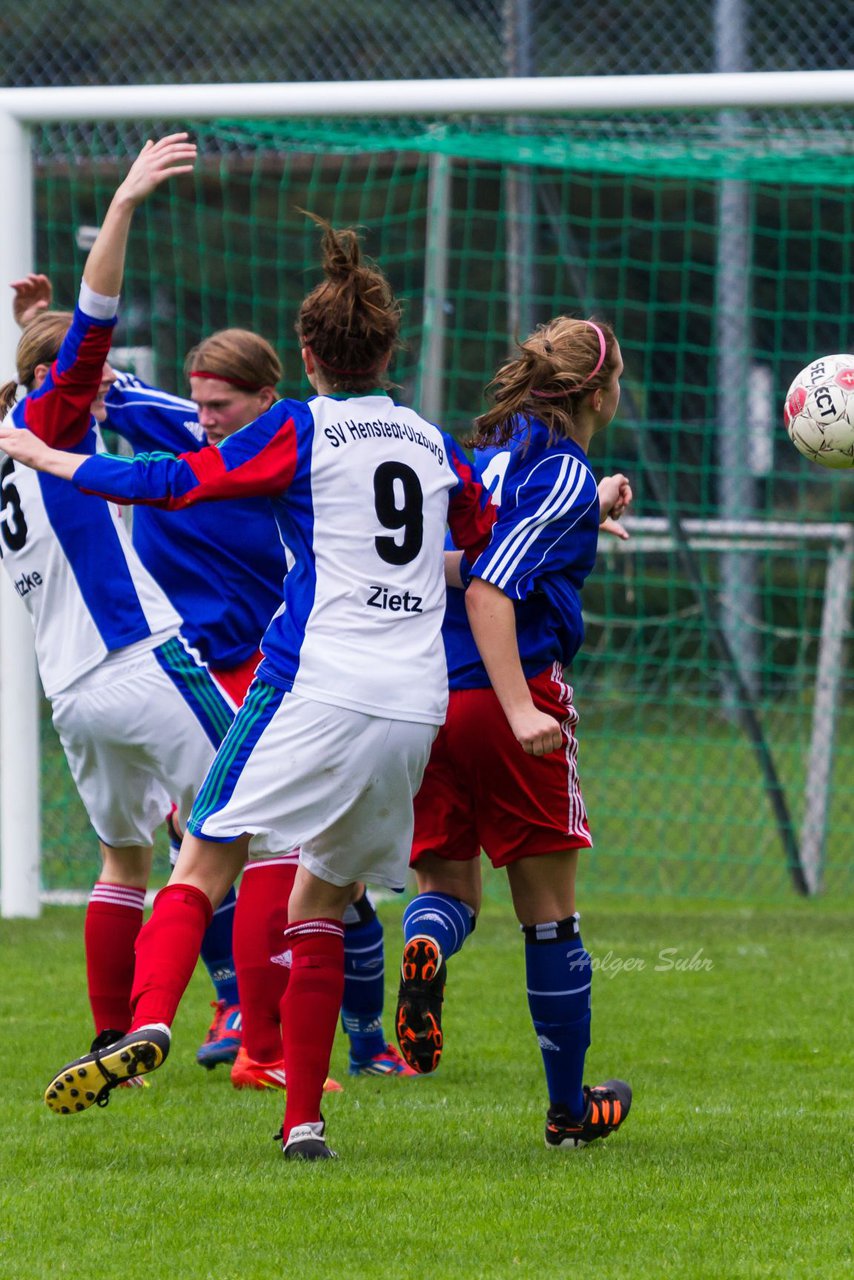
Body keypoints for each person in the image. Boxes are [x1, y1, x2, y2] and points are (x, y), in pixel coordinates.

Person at [1, 215, 495, 1159]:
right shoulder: (433, 440)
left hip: (315, 685)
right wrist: (588, 506)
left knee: (202, 860)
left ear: (306, 357)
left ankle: (148, 1022)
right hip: (413, 705)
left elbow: (179, 480)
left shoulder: (300, 428)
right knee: (319, 899)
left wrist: (59, 457)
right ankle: (302, 1120)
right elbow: (476, 530)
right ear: (392, 349)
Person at [12, 277, 412, 1083]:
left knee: (170, 854)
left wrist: (36, 342)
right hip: (182, 664)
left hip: (169, 677)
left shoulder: (291, 444)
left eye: (220, 405)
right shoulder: (173, 426)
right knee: (254, 845)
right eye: (199, 404)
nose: (204, 420)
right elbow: (106, 392)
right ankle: (257, 1034)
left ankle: (315, 1036)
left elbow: (99, 385)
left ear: (271, 392)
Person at [0, 135, 244, 1064]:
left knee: (123, 864)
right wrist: (123, 204)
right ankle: (235, 1022)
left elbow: (57, 356)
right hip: (143, 657)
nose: (105, 386)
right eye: (90, 376)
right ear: (61, 382)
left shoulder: (12, 437)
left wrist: (37, 325)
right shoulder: (53, 415)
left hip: (72, 697)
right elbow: (95, 319)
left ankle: (112, 1037)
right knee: (250, 824)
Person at [394, 315, 635, 1150]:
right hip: (510, 700)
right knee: (549, 920)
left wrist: (585, 512)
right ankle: (569, 1112)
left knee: (447, 894)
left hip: (428, 702)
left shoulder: (485, 458)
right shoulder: (561, 471)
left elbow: (455, 559)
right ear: (600, 392)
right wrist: (523, 709)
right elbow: (492, 589)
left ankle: (424, 948)